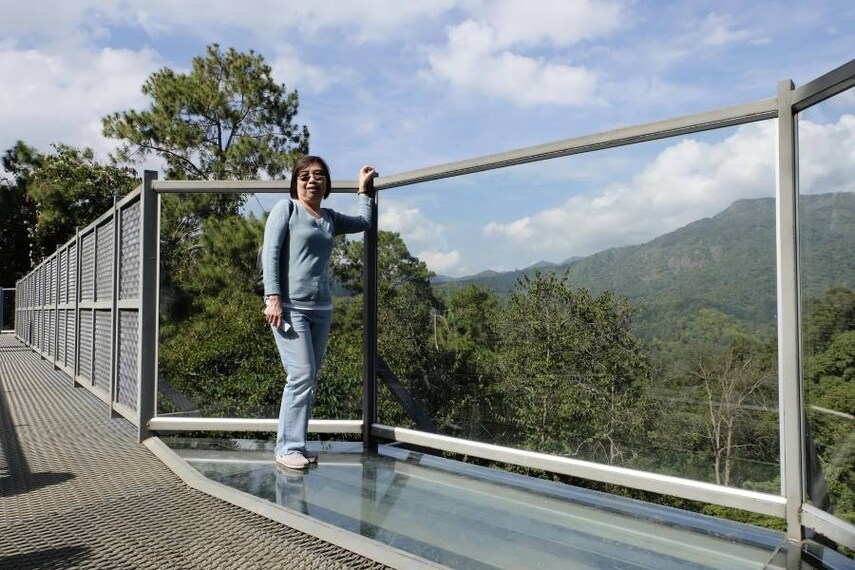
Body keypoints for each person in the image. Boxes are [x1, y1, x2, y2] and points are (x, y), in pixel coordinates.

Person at [262, 155, 377, 470]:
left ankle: (295, 444)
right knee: (299, 375)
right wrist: (273, 298)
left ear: (326, 184)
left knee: (308, 377)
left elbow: (363, 224)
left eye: (319, 176)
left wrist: (363, 192)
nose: (312, 180)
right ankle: (287, 447)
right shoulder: (285, 210)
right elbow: (270, 253)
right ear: (295, 181)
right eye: (305, 175)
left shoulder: (329, 217)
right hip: (290, 308)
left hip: (322, 308)